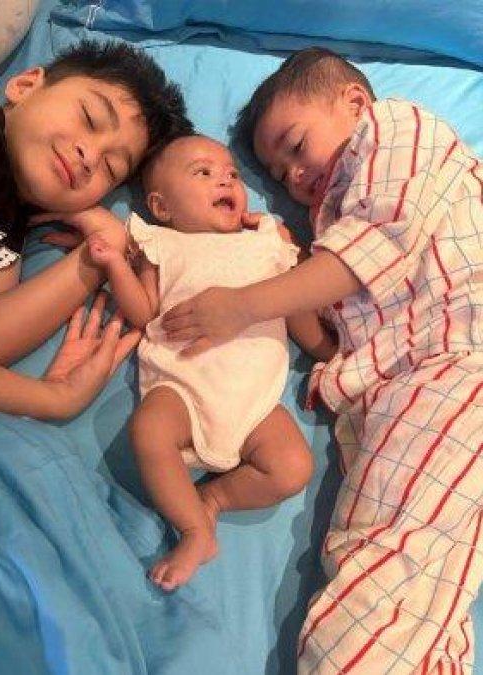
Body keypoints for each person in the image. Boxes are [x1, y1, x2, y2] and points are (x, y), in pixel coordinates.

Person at [164, 46, 483, 672]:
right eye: (278, 173)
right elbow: (336, 339)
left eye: (295, 145)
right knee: (408, 587)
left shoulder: (398, 130)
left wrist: (245, 304)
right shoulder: (331, 222)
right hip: (403, 396)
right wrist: (278, 259)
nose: (293, 176)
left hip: (458, 363)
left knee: (380, 575)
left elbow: (374, 247)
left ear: (353, 103)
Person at [0, 39, 192, 418]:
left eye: (111, 168)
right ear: (25, 85)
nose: (90, 157)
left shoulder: (12, 220)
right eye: (90, 118)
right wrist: (53, 399)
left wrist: (101, 253)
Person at [88, 135, 314, 590]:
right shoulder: (161, 244)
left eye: (232, 174)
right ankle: (194, 531)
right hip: (184, 385)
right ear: (162, 206)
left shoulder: (266, 239)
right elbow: (143, 311)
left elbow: (299, 300)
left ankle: (211, 500)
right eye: (204, 173)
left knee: (293, 467)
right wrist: (115, 266)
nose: (226, 181)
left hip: (253, 400)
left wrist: (294, 251)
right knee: (149, 430)